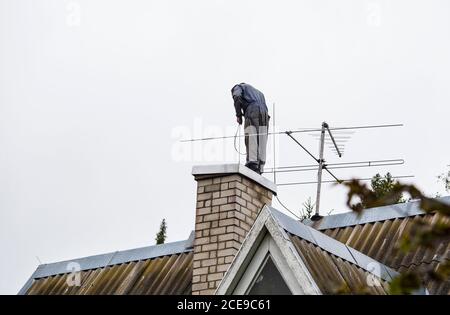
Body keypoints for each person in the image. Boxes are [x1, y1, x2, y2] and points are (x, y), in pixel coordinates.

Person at [231, 83, 269, 174]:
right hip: (265, 114)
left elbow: (237, 97)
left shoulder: (238, 87)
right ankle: (260, 166)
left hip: (252, 110)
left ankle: (252, 164)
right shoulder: (259, 93)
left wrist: (239, 115)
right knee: (262, 138)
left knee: (251, 134)